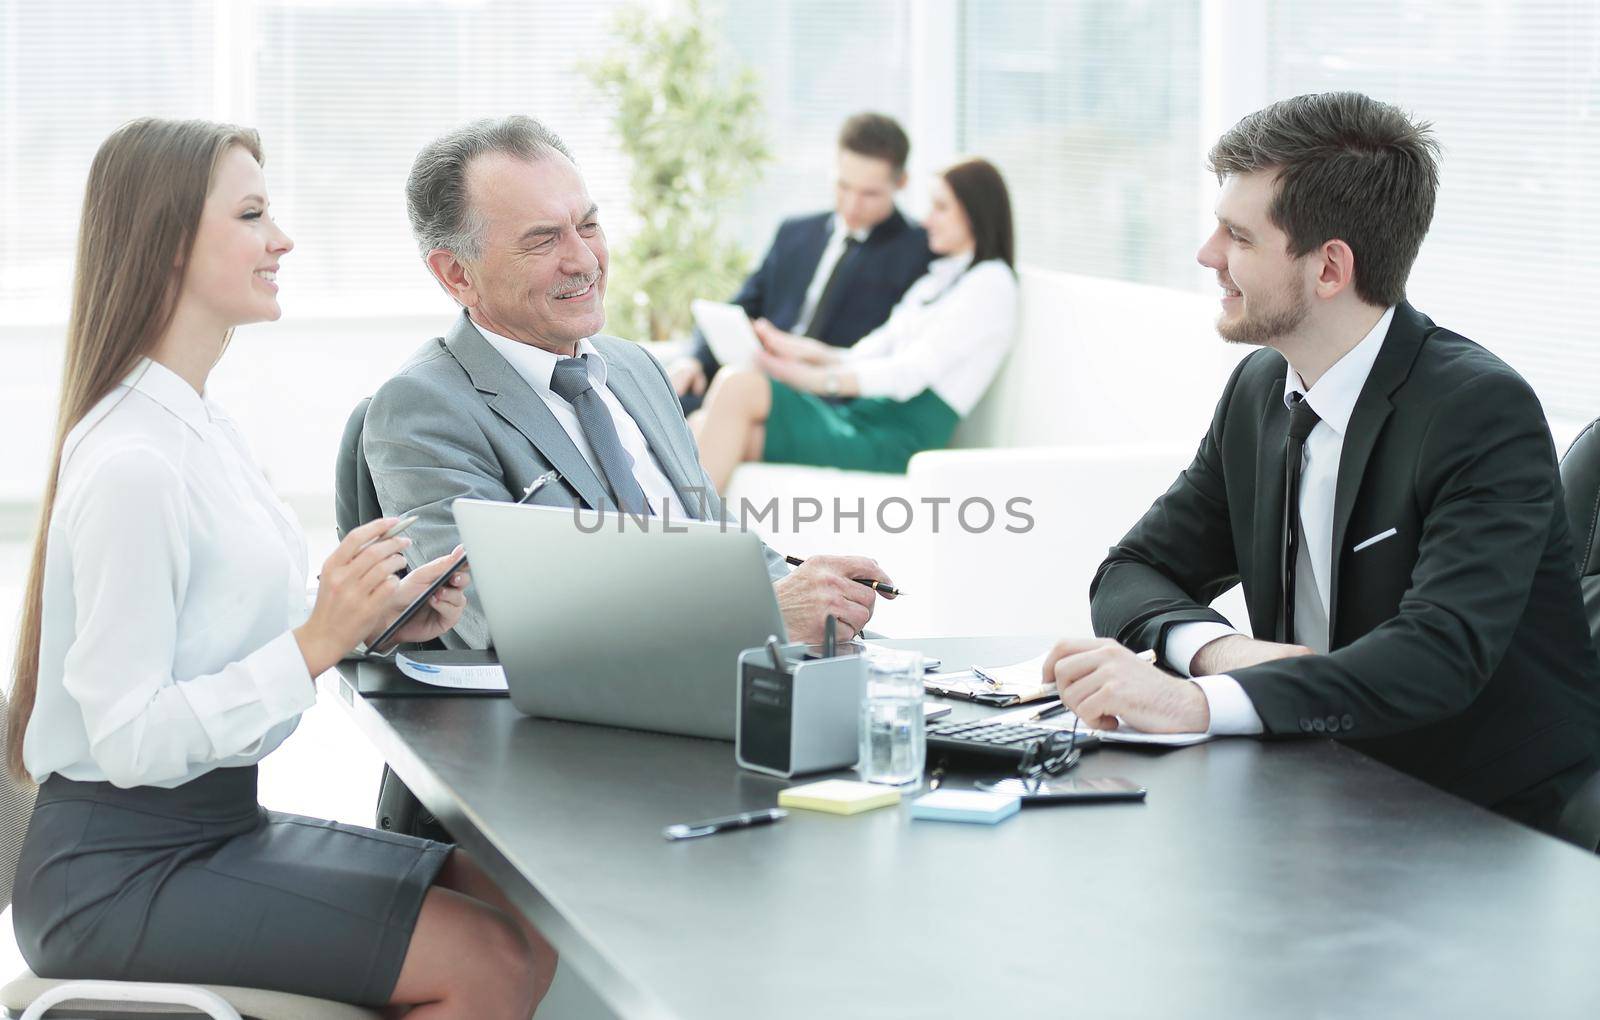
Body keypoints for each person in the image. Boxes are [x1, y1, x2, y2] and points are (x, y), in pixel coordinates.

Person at [7, 118, 556, 1015]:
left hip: (210, 831)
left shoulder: (199, 426)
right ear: (170, 246)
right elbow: (129, 740)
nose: (283, 239)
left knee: (519, 909)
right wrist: (313, 640)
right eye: (253, 214)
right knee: (488, 961)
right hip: (119, 873)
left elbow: (214, 635)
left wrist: (367, 621)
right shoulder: (132, 462)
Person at [1042, 92, 1600, 834]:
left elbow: (1437, 654)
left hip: (1478, 814)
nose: (1208, 257)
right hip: (1313, 787)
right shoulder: (1261, 389)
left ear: (1329, 267)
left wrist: (1198, 703)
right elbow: (1131, 571)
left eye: (1238, 237)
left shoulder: (1477, 410)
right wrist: (1220, 651)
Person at [362, 115, 891, 651]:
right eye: (544, 241)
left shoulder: (636, 369)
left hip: (733, 679)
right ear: (457, 274)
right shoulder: (421, 408)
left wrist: (818, 596)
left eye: (588, 226)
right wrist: (760, 614)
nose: (585, 260)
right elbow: (497, 619)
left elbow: (719, 540)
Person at [689, 158, 1017, 491]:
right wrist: (794, 349)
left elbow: (908, 374)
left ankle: (685, 535)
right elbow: (869, 351)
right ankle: (680, 531)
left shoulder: (990, 285)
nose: (928, 220)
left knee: (738, 386)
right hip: (865, 418)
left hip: (894, 437)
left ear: (976, 213)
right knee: (705, 423)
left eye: (941, 208)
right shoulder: (941, 279)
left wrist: (811, 379)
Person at [669, 111, 934, 412]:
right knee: (662, 408)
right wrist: (693, 359)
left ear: (901, 182)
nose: (852, 205)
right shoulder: (795, 233)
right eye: (843, 186)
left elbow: (900, 352)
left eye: (869, 194)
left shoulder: (919, 250)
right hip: (756, 378)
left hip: (828, 399)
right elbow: (738, 307)